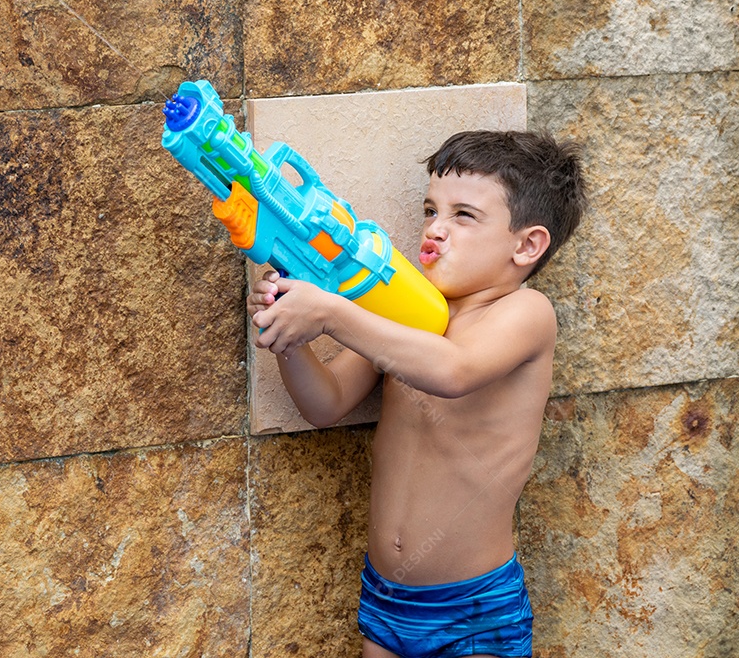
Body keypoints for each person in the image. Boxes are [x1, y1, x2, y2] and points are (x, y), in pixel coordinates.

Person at [247, 130, 586, 658]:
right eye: (430, 210)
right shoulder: (405, 314)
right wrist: (289, 334)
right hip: (386, 600)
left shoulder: (525, 314)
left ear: (527, 245)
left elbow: (452, 371)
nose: (436, 229)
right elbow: (326, 403)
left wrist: (332, 312)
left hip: (473, 612)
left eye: (463, 216)